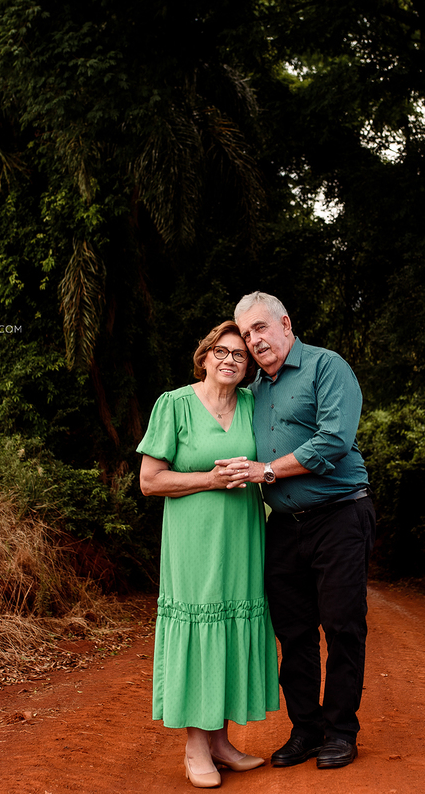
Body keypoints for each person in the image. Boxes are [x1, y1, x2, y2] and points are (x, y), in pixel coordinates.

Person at [216, 291, 376, 771]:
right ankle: (306, 728)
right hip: (284, 525)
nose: (253, 340)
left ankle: (341, 732)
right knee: (294, 632)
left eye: (260, 328)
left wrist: (266, 471)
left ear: (285, 323)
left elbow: (333, 441)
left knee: (343, 625)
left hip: (340, 514)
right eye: (246, 334)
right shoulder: (255, 390)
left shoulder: (327, 367)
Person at [137, 321, 280, 789]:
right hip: (193, 540)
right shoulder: (174, 404)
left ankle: (219, 742)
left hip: (241, 535)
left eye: (240, 355)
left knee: (230, 623)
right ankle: (195, 746)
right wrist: (209, 480)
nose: (230, 360)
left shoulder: (253, 406)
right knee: (201, 624)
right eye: (222, 351)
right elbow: (150, 480)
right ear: (204, 356)